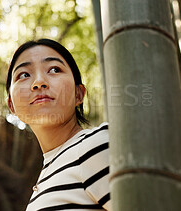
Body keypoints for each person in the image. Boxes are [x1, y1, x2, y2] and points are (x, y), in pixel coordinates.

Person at [6, 38, 110, 210]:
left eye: (54, 69)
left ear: (79, 94)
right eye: (24, 74)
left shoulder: (96, 146)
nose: (39, 82)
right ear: (11, 106)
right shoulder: (47, 175)